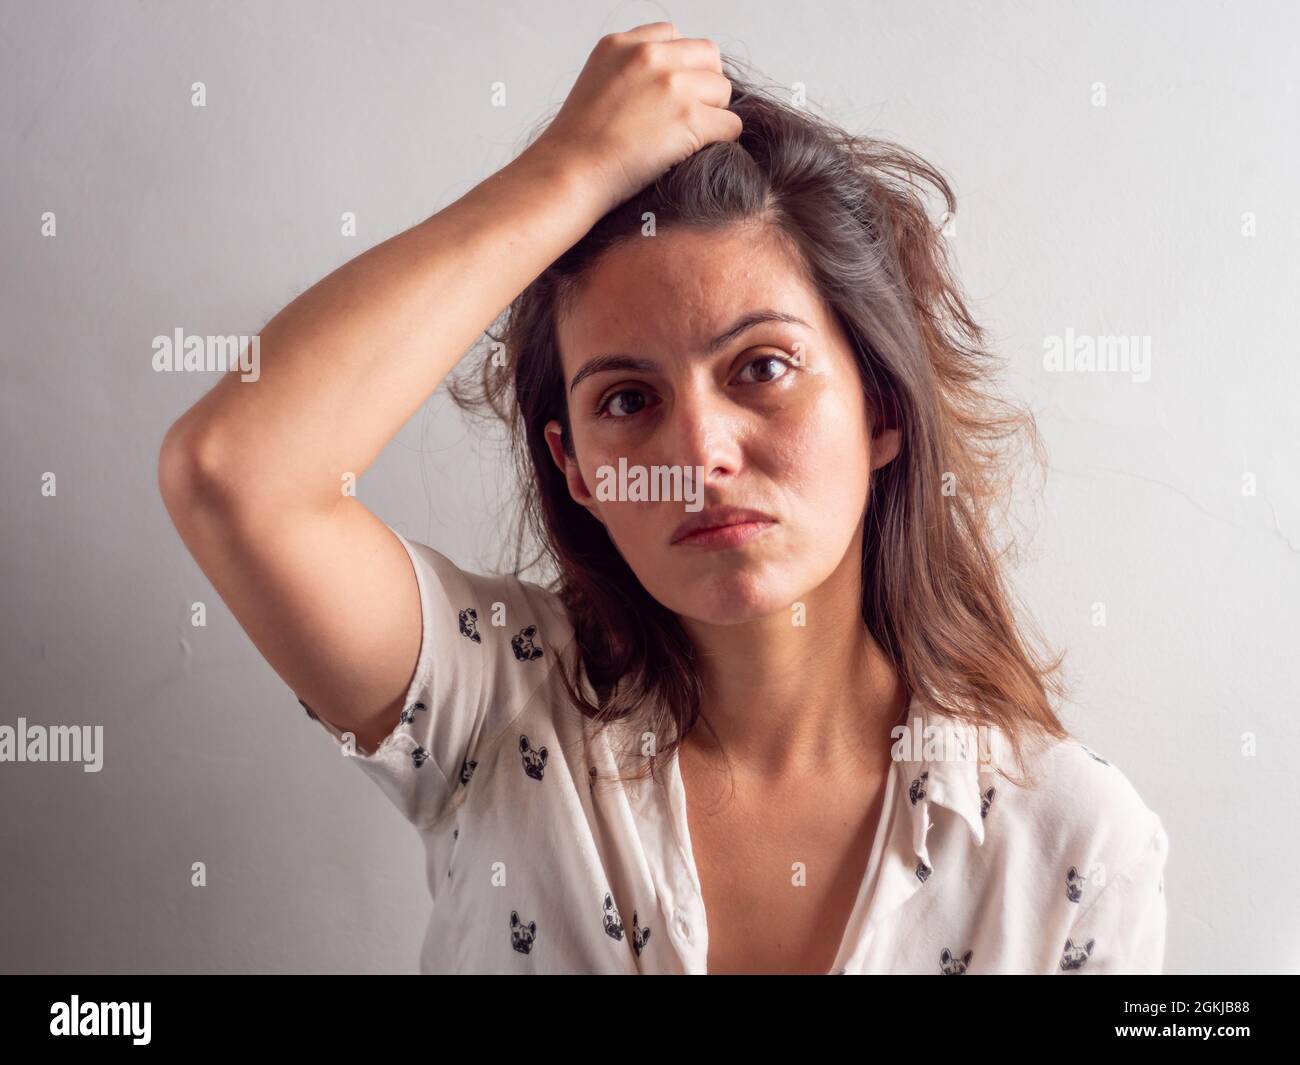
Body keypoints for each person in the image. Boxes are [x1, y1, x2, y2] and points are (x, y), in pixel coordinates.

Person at [158, 21, 1169, 974]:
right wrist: (563, 173)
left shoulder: (1071, 846)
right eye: (628, 399)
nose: (697, 453)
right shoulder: (493, 702)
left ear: (879, 408)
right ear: (575, 468)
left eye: (761, 367)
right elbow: (235, 472)